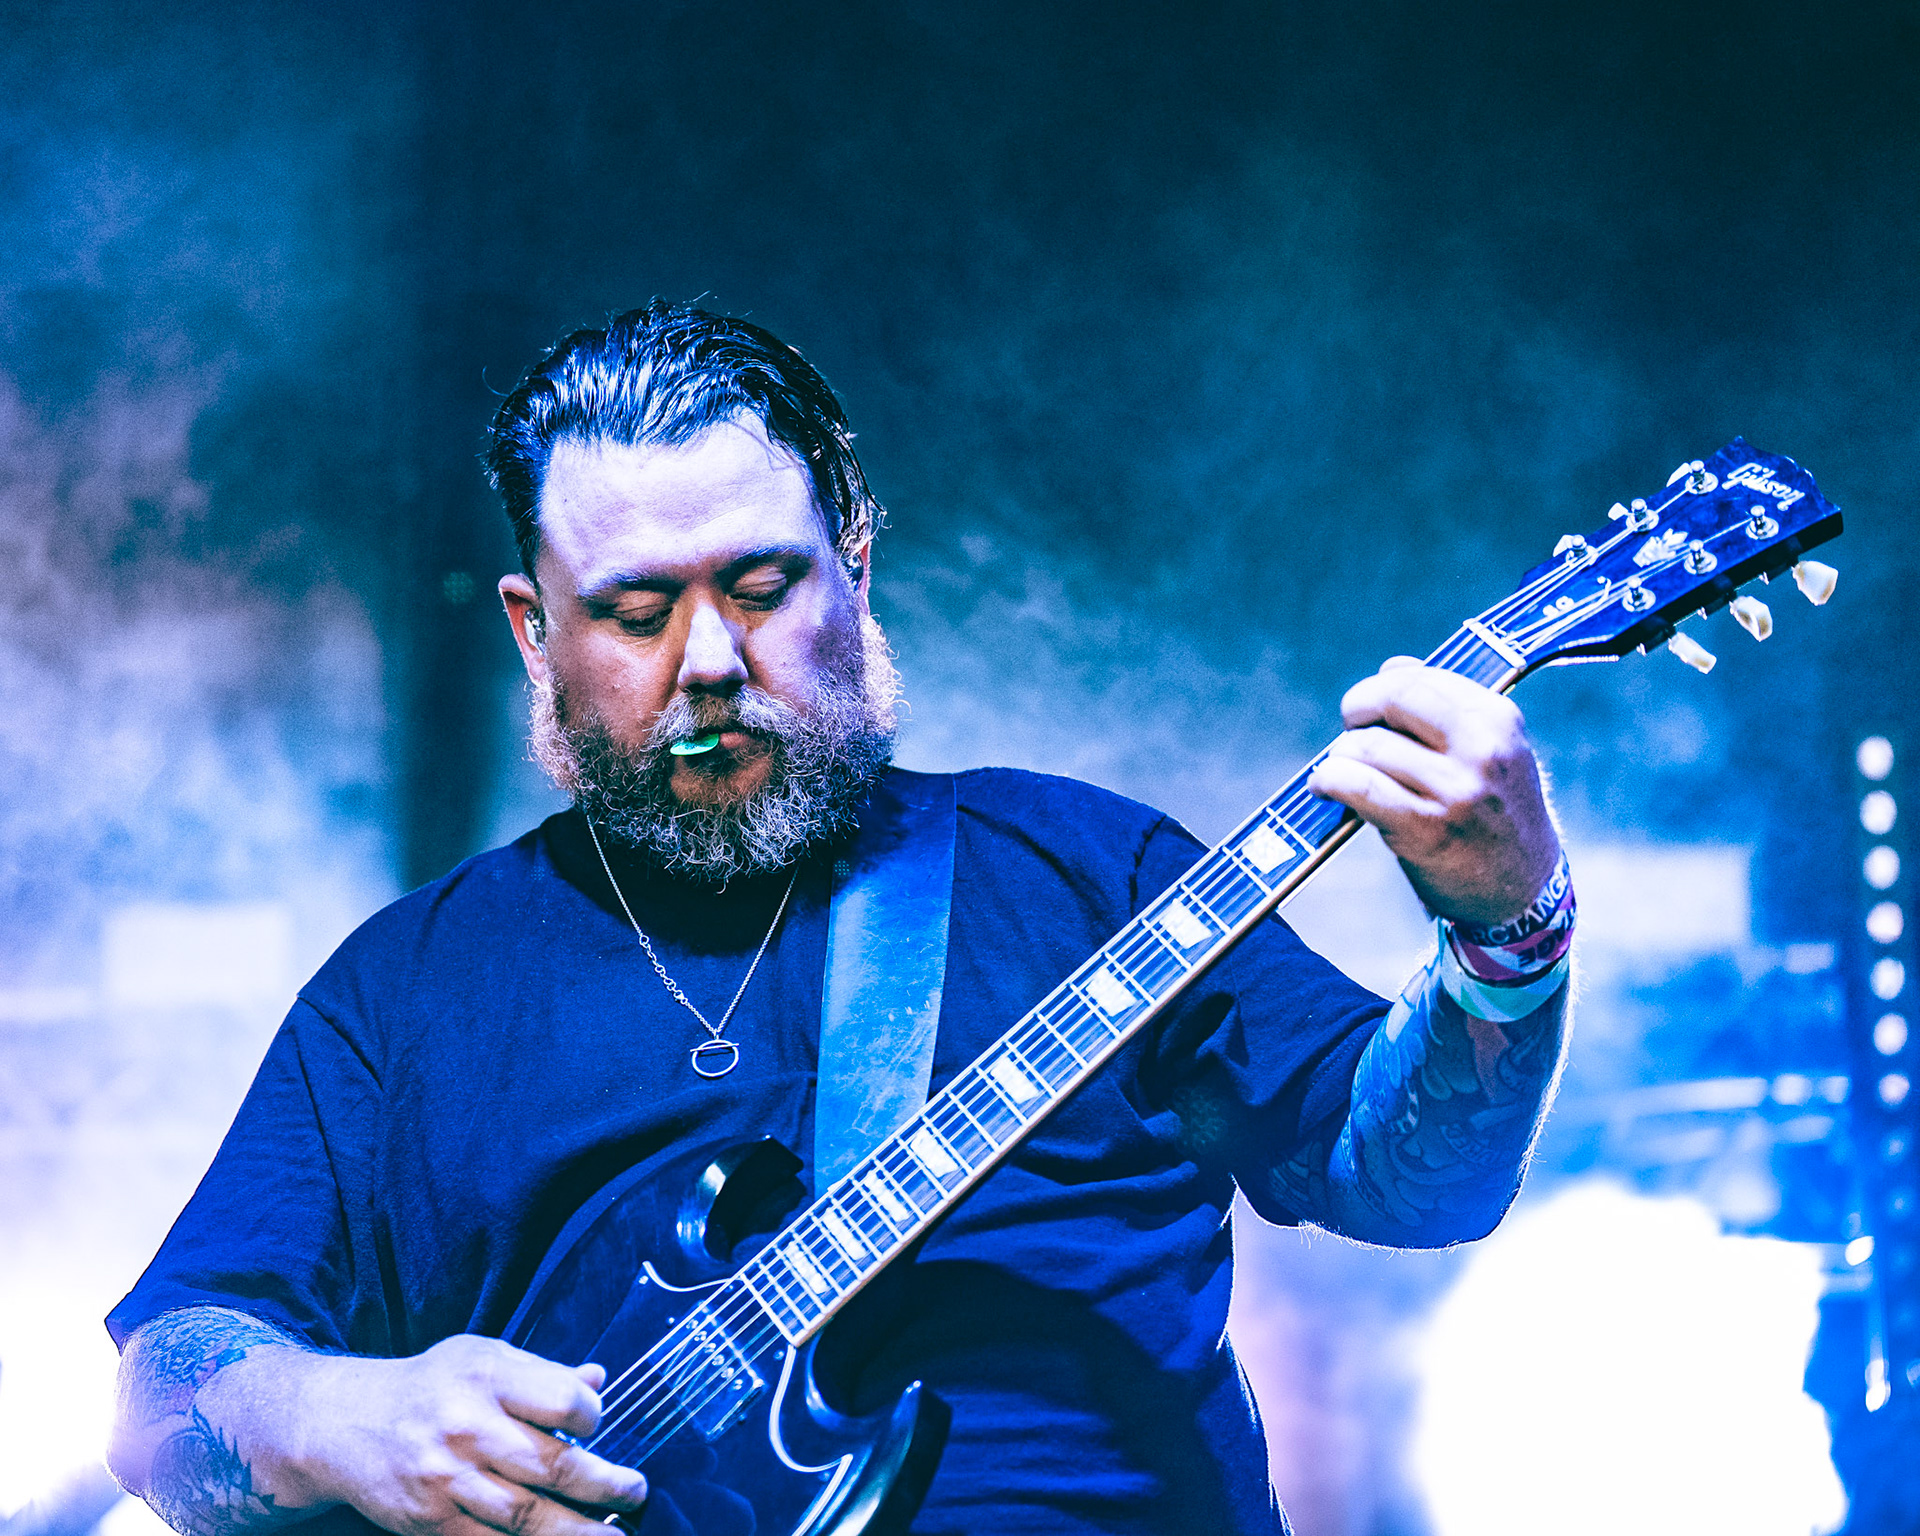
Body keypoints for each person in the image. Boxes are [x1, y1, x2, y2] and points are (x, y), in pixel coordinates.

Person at [104, 302, 1574, 1536]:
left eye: (761, 586)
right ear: (532, 632)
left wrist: (1512, 934)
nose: (710, 660)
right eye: (634, 614)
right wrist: (328, 1412)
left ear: (854, 572)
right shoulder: (406, 991)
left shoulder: (1087, 873)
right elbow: (165, 1395)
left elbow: (1411, 1182)